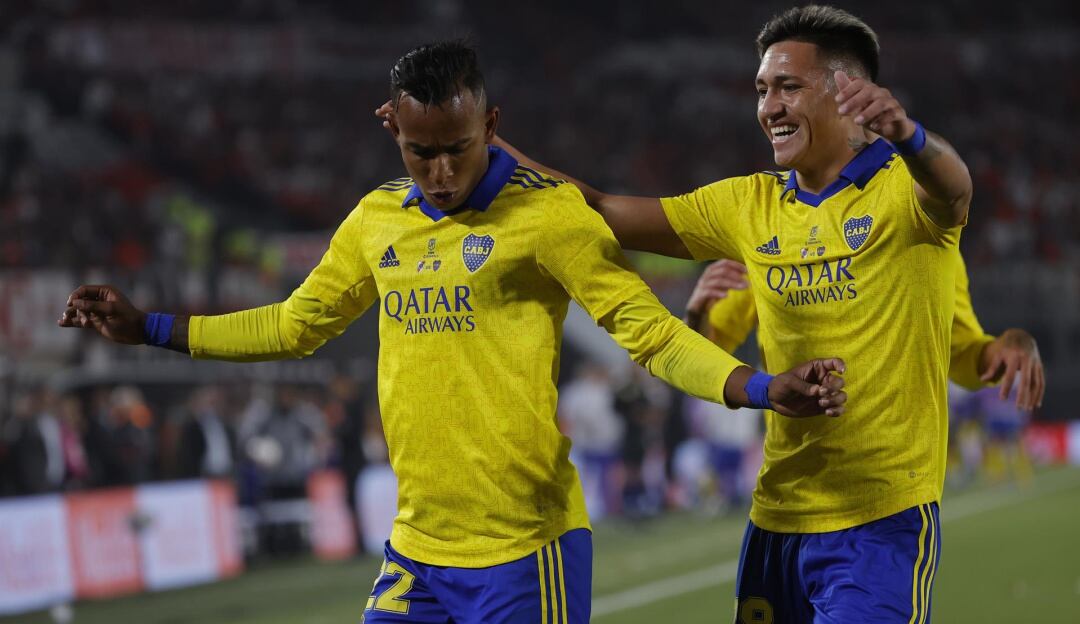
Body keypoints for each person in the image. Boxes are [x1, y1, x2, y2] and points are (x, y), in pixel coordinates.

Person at [60, 41, 847, 624]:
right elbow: (295, 325)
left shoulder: (549, 217)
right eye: (419, 153)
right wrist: (152, 328)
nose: (439, 173)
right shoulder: (376, 220)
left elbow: (648, 333)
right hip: (418, 551)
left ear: (492, 125)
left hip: (523, 550)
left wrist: (758, 389)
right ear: (394, 133)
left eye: (457, 150)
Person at [491, 5, 980, 621]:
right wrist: (480, 146)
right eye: (761, 89)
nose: (768, 107)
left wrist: (909, 135)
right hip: (776, 517)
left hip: (879, 522)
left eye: (788, 87)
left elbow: (955, 186)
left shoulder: (903, 194)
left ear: (848, 93)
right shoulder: (746, 204)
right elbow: (596, 208)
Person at [685, 256, 1045, 410]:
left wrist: (1008, 346)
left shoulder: (924, 234)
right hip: (787, 490)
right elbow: (709, 359)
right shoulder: (767, 235)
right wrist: (697, 314)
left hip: (891, 494)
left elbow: (964, 354)